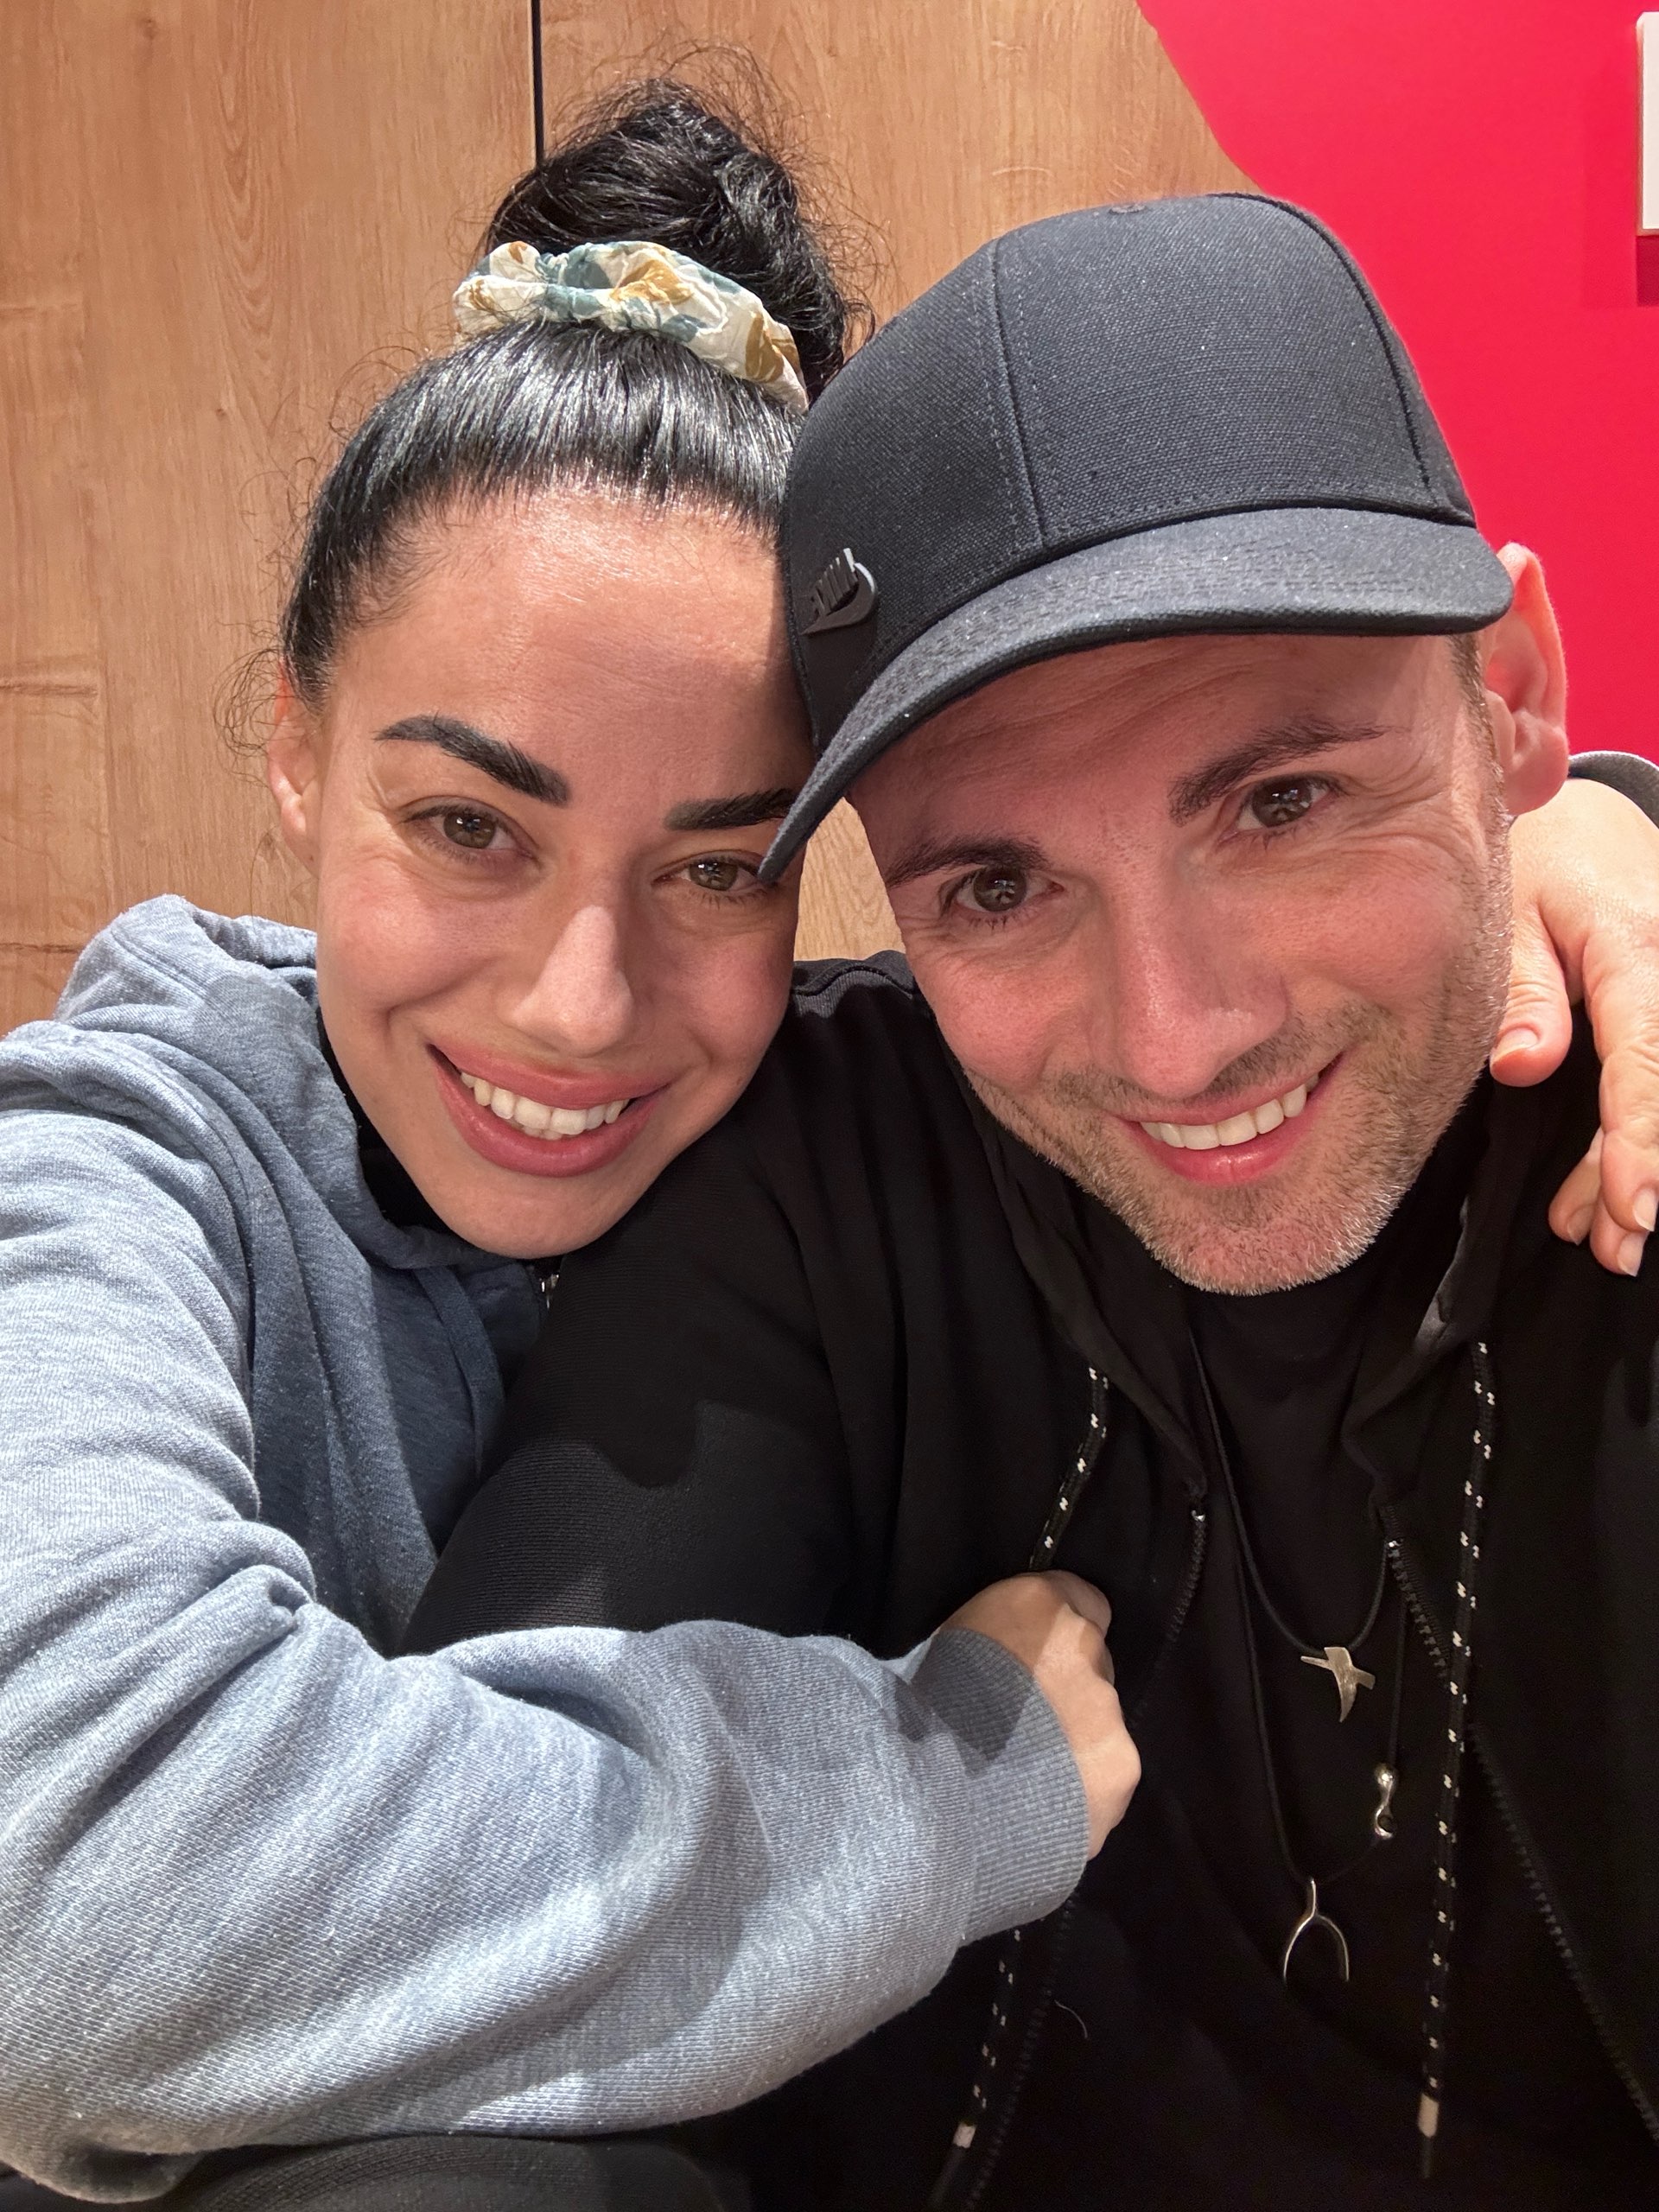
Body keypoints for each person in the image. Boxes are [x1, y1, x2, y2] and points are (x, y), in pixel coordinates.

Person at [408, 194, 1659, 2208]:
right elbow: (461, 1925)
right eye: (996, 887)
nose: (1178, 1035)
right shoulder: (822, 1179)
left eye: (1281, 802)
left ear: (1511, 695)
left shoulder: (1633, 1140)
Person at [0, 87, 1150, 2212]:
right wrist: (946, 1777)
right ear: (294, 745)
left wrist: (1581, 842)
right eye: (469, 825)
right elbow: (66, 1898)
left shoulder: (832, 1133)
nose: (579, 1004)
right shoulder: (108, 1166)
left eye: (717, 868)